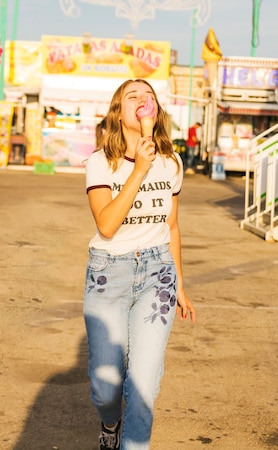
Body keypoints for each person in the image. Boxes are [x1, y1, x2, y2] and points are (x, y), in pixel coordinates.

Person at [83, 78, 196, 450]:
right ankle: (110, 422)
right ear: (119, 112)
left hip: (157, 274)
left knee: (144, 384)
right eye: (133, 96)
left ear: (156, 111)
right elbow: (107, 224)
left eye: (149, 96)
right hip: (108, 274)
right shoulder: (100, 165)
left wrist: (178, 281)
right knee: (105, 387)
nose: (143, 100)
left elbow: (172, 225)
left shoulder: (172, 164)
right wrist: (139, 169)